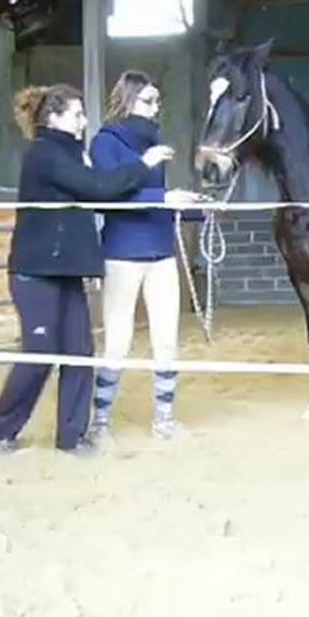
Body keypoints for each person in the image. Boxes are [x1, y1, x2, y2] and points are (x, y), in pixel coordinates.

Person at [0, 82, 180, 455]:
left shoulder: (70, 154)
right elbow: (98, 188)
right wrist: (145, 165)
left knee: (79, 351)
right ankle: (1, 430)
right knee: (41, 352)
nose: (83, 120)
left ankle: (71, 438)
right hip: (36, 271)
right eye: (76, 113)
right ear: (54, 118)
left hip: (66, 271)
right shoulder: (44, 154)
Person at [86, 70, 205, 442]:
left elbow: (157, 198)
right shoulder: (105, 143)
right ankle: (100, 421)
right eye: (148, 101)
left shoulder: (154, 141)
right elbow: (109, 194)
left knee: (166, 339)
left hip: (160, 249)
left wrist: (193, 208)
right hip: (122, 252)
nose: (156, 109)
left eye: (158, 102)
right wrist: (160, 193)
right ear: (129, 100)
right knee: (118, 341)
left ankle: (164, 420)